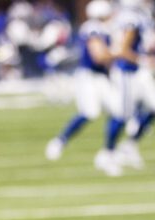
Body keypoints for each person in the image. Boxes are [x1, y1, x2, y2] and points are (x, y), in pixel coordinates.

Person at [96, 0, 155, 176]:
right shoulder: (130, 18)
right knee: (122, 115)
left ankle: (128, 146)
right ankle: (107, 153)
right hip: (127, 72)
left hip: (137, 71)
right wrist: (143, 60)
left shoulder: (136, 15)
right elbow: (122, 49)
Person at [46, 0, 114, 161]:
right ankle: (60, 141)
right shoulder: (93, 28)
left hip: (101, 77)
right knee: (90, 112)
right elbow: (99, 56)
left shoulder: (104, 28)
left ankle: (111, 152)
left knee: (119, 111)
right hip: (90, 76)